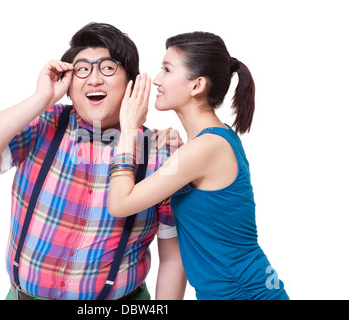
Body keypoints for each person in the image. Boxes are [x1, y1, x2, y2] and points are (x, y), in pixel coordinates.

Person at [0, 22, 187, 300]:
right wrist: (41, 98)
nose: (94, 79)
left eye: (108, 68)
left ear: (131, 83)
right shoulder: (43, 124)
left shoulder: (161, 153)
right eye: (82, 69)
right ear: (69, 84)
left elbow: (173, 258)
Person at [108, 31, 289, 300]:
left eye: (167, 69)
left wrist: (129, 130)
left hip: (245, 293)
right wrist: (181, 150)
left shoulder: (206, 148)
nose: (157, 79)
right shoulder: (208, 143)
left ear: (196, 86)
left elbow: (120, 203)